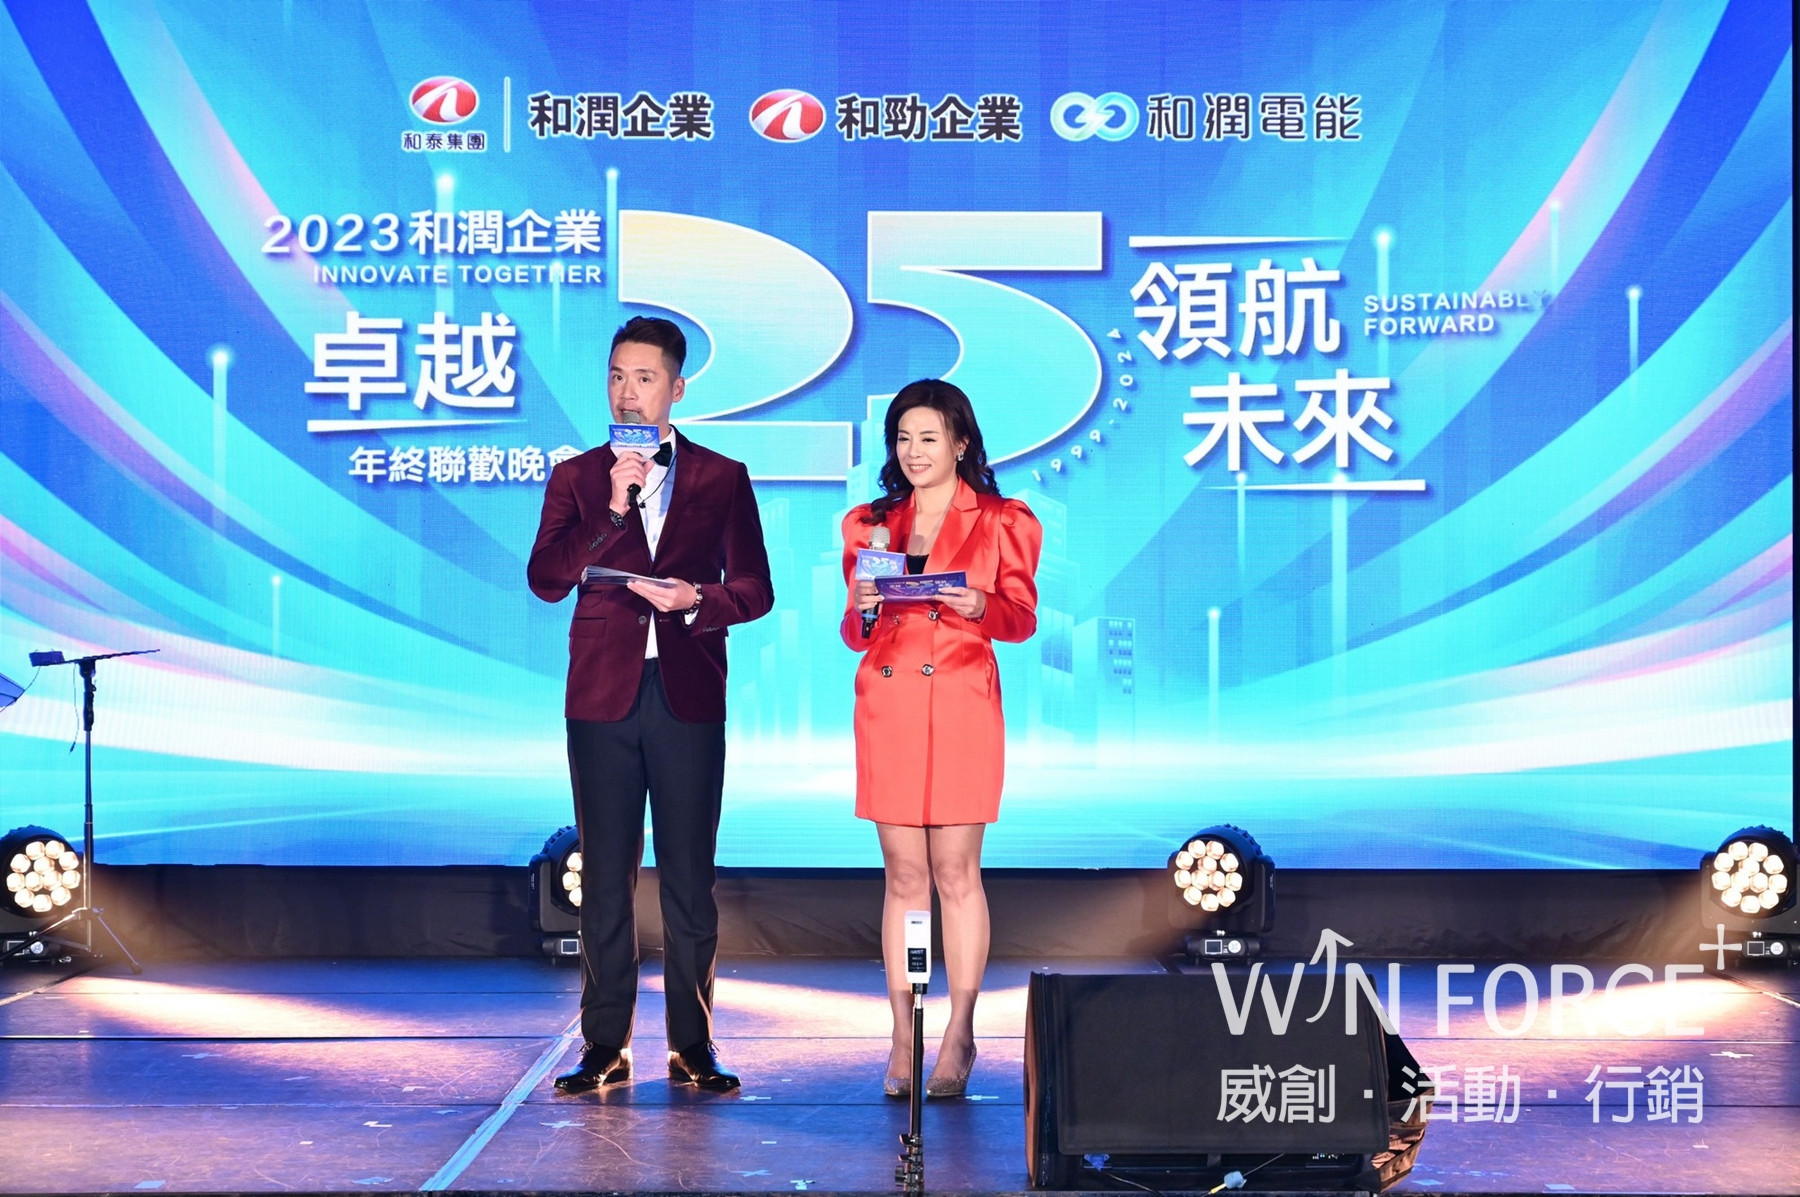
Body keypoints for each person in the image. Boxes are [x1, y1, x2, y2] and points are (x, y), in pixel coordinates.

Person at [528, 315, 774, 1093]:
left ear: (677, 387)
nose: (626, 393)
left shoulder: (722, 477)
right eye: (615, 376)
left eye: (643, 378)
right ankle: (604, 1043)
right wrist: (610, 510)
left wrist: (695, 597)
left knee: (689, 877)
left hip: (688, 692)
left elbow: (756, 588)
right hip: (601, 695)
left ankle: (692, 1043)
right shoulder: (577, 478)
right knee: (606, 874)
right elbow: (545, 578)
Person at [838, 379, 1041, 1099]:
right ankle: (903, 1034)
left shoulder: (1003, 520)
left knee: (956, 872)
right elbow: (854, 632)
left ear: (960, 442)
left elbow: (1021, 619)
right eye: (903, 438)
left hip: (960, 701)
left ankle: (959, 1031)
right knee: (903, 876)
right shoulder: (868, 524)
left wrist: (980, 603)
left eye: (928, 437)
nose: (914, 451)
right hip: (890, 702)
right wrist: (864, 608)